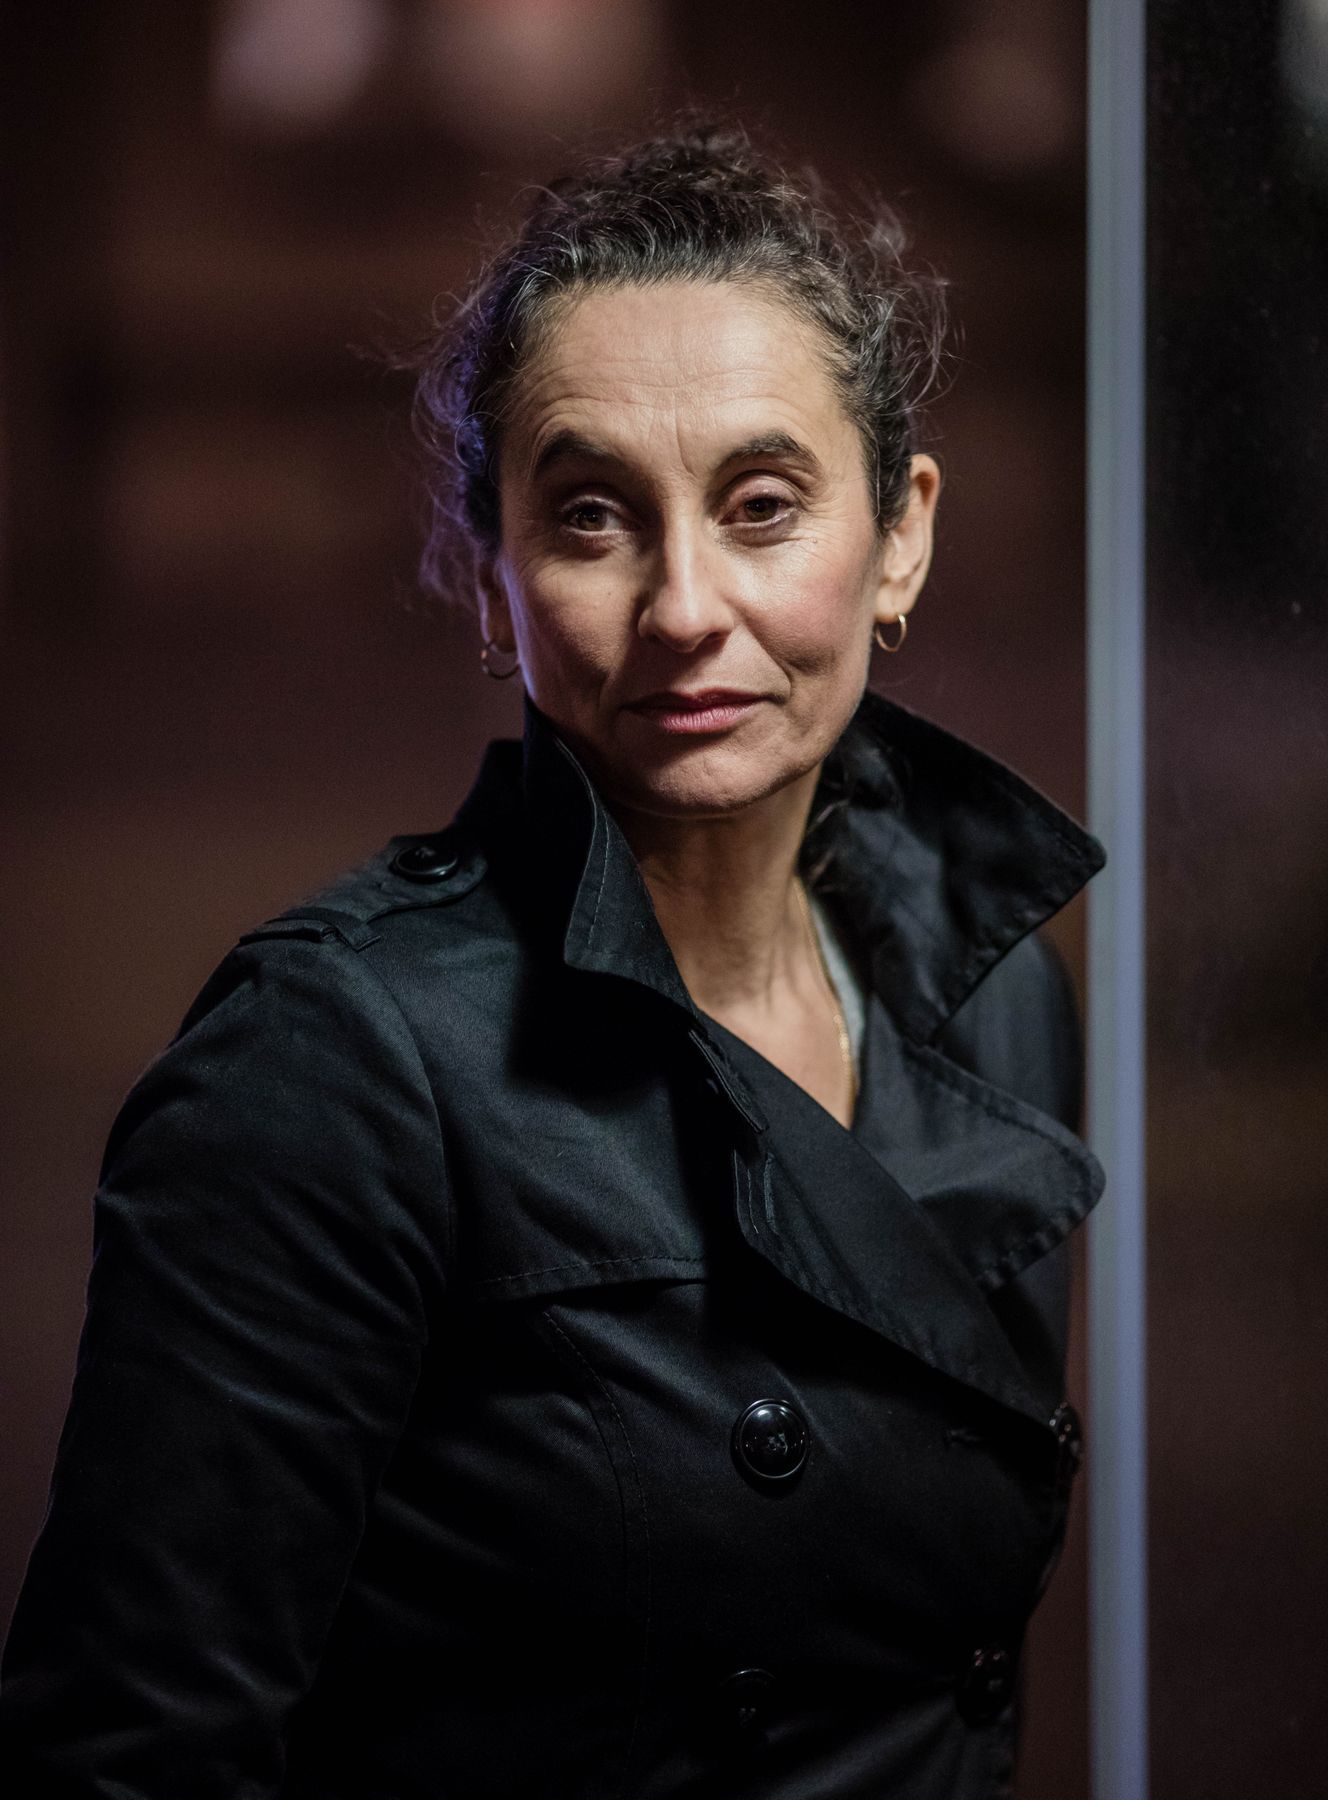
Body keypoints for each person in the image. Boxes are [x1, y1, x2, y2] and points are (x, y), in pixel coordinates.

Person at [0, 124, 1105, 1798]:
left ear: (899, 537)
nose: (684, 605)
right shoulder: (329, 1061)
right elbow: (129, 1757)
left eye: (761, 507)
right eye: (592, 518)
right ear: (487, 578)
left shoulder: (992, 1000)